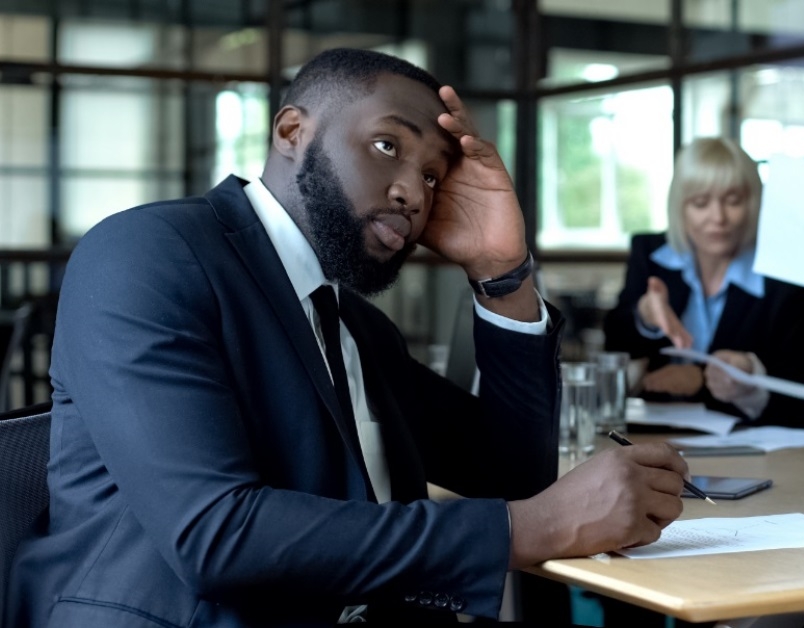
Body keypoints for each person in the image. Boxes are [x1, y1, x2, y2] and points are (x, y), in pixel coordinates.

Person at [7, 48, 692, 627]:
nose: (412, 194)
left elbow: (512, 475)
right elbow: (215, 534)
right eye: (387, 146)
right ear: (292, 131)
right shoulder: (149, 254)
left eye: (431, 175)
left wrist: (500, 273)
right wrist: (525, 530)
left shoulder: (351, 324)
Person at [603, 137, 804, 424]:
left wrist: (710, 379)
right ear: (680, 207)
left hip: (748, 441)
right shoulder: (652, 255)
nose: (717, 217)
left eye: (733, 201)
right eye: (700, 203)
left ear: (753, 203)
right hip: (651, 433)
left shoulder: (783, 277)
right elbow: (615, 345)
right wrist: (645, 316)